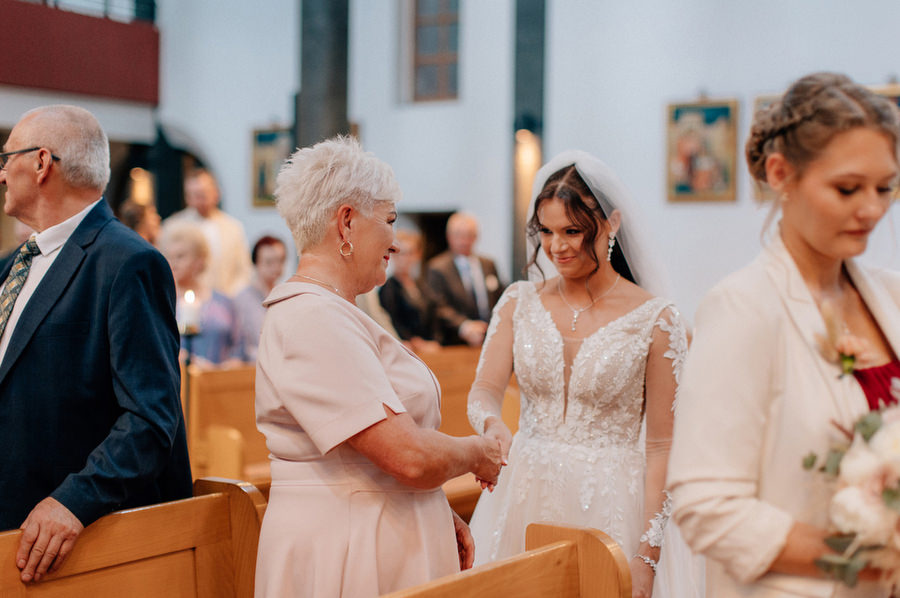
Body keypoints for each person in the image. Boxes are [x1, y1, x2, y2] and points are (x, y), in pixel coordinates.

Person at [667, 72, 900, 597]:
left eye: (884, 187)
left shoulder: (892, 297)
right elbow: (707, 507)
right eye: (847, 188)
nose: (872, 209)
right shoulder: (743, 309)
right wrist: (867, 559)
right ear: (781, 174)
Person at [254, 136, 504, 597]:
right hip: (346, 548)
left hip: (372, 529)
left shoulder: (334, 310)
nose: (396, 241)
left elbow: (370, 454)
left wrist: (429, 504)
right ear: (347, 222)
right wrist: (479, 453)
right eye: (389, 221)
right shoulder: (312, 316)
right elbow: (406, 456)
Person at [466, 150, 703, 598]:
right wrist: (492, 424)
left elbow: (661, 446)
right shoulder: (519, 302)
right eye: (548, 231)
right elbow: (483, 390)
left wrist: (648, 554)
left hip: (613, 503)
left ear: (611, 223)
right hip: (523, 491)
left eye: (573, 230)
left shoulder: (656, 319)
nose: (558, 247)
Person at [0, 105, 191, 582]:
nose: (2, 174)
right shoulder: (10, 266)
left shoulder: (127, 263)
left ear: (42, 163)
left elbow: (149, 419)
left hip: (73, 544)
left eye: (6, 159)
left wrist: (74, 501)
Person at [160, 220, 245, 367]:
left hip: (220, 381)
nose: (173, 263)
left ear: (200, 259)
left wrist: (230, 365)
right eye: (168, 256)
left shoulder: (223, 302)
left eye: (180, 256)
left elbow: (239, 347)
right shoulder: (161, 303)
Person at [163, 167, 252, 296]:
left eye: (204, 194)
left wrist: (230, 297)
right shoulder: (173, 227)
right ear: (187, 197)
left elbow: (243, 270)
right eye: (195, 195)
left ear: (216, 193)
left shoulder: (233, 228)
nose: (200, 199)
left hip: (225, 300)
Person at [426, 212, 505, 346]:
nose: (465, 240)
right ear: (449, 236)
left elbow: (500, 297)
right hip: (456, 341)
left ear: (476, 236)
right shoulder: (438, 267)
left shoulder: (488, 264)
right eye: (459, 235)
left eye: (469, 235)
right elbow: (438, 306)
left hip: (490, 337)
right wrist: (465, 326)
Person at [379, 228, 441, 351]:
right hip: (406, 349)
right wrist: (414, 342)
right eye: (402, 254)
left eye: (410, 253)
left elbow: (433, 313)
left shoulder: (421, 285)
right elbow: (393, 322)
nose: (406, 259)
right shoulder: (388, 288)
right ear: (394, 256)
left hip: (430, 347)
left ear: (418, 255)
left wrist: (434, 341)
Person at [233, 235, 287, 362]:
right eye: (269, 262)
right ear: (256, 262)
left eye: (280, 261)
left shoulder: (285, 295)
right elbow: (240, 342)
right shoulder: (242, 299)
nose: (275, 267)